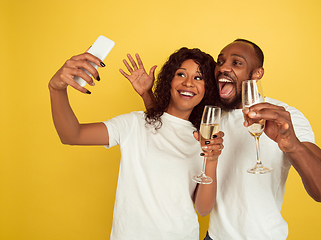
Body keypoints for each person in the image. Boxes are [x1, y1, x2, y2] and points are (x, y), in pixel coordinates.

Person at [136, 39, 321, 240]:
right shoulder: (209, 115)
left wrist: (293, 145)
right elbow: (171, 126)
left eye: (236, 63)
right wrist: (147, 94)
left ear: (257, 73)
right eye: (220, 61)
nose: (223, 68)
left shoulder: (283, 117)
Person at [48, 47, 224, 239]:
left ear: (207, 89)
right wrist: (56, 88)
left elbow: (203, 209)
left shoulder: (203, 139)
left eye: (198, 78)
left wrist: (212, 160)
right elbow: (72, 135)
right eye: (180, 74)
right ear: (169, 81)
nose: (188, 83)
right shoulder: (134, 123)